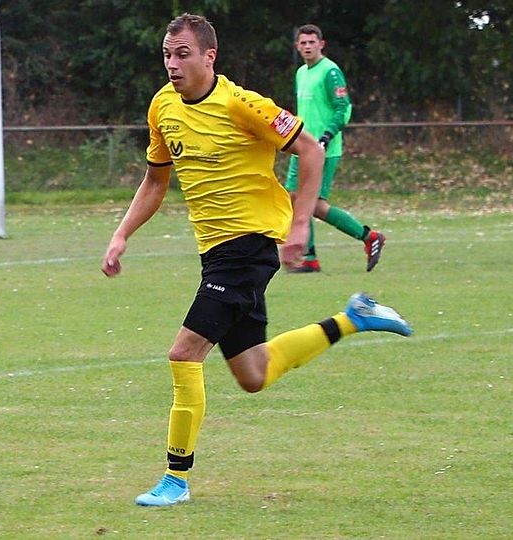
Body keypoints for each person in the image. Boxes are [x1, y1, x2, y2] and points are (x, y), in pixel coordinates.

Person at [100, 13, 413, 507]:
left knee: (184, 353)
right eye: (167, 54)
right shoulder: (162, 106)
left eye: (183, 54)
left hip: (247, 250)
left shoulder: (244, 104)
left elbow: (309, 151)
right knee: (254, 374)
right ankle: (354, 318)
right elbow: (156, 181)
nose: (173, 64)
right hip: (215, 254)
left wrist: (302, 222)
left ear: (209, 56)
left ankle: (175, 478)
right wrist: (121, 235)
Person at [285, 23, 385, 273]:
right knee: (295, 198)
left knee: (314, 204)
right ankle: (310, 257)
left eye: (312, 42)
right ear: (297, 46)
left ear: (321, 44)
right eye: (303, 43)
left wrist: (326, 136)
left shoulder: (330, 71)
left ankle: (368, 237)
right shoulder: (301, 73)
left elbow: (343, 108)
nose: (307, 46)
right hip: (302, 146)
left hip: (322, 150)